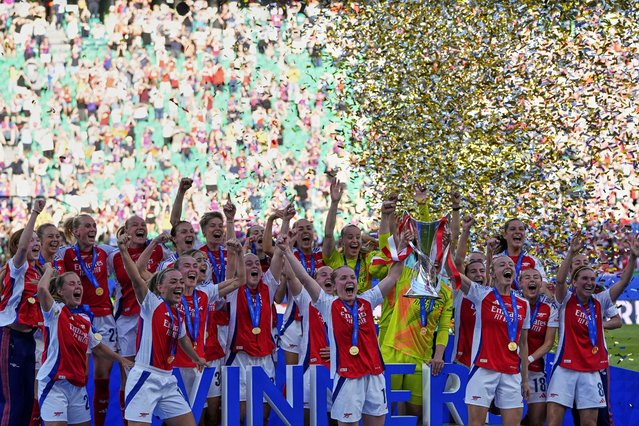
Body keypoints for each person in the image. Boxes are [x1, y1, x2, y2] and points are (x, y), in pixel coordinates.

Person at [278, 235, 404, 426]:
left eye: (352, 277)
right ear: (335, 285)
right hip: (348, 378)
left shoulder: (368, 300)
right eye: (343, 278)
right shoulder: (328, 304)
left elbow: (393, 275)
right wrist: (287, 251)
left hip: (374, 374)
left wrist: (401, 249)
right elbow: (303, 277)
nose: (349, 281)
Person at [546, 234, 639, 426]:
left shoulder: (600, 300)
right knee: (554, 421)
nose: (590, 282)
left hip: (591, 370)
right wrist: (571, 252)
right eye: (585, 279)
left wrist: (633, 258)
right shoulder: (565, 300)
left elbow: (622, 284)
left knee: (590, 422)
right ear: (575, 282)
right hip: (565, 368)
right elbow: (560, 281)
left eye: (593, 279)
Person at [377, 190, 454, 421]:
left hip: (422, 358)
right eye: (429, 256)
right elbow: (386, 249)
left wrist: (439, 355)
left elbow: (442, 328)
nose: (433, 260)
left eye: (437, 257)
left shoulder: (446, 291)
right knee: (386, 411)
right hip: (391, 351)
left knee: (415, 413)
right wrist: (385, 217)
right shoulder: (404, 275)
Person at [116, 234, 206, 426]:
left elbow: (183, 340)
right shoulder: (152, 303)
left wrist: (196, 358)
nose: (179, 285)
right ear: (160, 287)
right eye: (173, 282)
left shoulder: (178, 314)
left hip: (168, 379)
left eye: (181, 282)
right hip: (145, 377)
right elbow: (135, 277)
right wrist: (124, 251)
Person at [36, 264, 132, 426]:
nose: (78, 286)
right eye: (72, 284)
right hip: (55, 383)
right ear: (60, 291)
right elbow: (42, 291)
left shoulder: (84, 320)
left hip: (78, 386)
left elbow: (98, 347)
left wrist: (121, 360)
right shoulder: (55, 312)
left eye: (79, 283)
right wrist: (48, 271)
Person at [453, 254, 531, 426]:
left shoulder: (523, 304)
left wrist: (525, 379)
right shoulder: (481, 294)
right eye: (502, 264)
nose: (507, 267)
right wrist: (443, 249)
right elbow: (455, 274)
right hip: (483, 369)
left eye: (510, 264)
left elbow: (523, 344)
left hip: (511, 372)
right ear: (493, 273)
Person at [57, 214, 117, 425]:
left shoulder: (106, 252)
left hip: (104, 318)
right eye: (87, 226)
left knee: (103, 375)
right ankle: (76, 418)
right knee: (80, 372)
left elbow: (127, 262)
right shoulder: (63, 254)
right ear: (75, 232)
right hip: (76, 317)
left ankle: (98, 422)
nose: (93, 229)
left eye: (94, 225)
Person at [109, 215, 169, 421]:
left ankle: (150, 418)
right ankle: (129, 421)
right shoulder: (117, 256)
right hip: (128, 319)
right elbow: (129, 277)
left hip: (153, 317)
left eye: (143, 224)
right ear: (126, 231)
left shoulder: (161, 251)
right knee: (129, 372)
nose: (140, 227)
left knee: (156, 370)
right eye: (135, 225)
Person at [224, 240, 284, 423]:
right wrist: (237, 251)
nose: (254, 266)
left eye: (257, 263)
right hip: (239, 358)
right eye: (248, 263)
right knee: (241, 416)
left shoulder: (268, 287)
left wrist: (284, 227)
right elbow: (231, 264)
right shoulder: (233, 289)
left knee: (262, 416)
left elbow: (278, 256)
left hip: (265, 358)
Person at [0, 199, 45, 426]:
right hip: (11, 338)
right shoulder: (17, 267)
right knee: (13, 401)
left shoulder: (39, 270)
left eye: (39, 240)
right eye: (32, 240)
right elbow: (24, 247)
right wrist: (35, 213)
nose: (35, 243)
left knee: (28, 401)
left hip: (29, 340)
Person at [322, 179, 388, 296]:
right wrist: (334, 203)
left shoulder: (368, 258)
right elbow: (328, 235)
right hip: (339, 311)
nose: (355, 240)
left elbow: (387, 253)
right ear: (342, 241)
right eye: (350, 237)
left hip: (362, 311)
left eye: (358, 237)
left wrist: (385, 216)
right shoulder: (334, 259)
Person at [519, 268, 558, 426]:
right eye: (527, 277)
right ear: (520, 283)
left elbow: (548, 343)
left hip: (535, 369)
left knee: (537, 419)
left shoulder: (550, 309)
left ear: (541, 284)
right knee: (505, 414)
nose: (532, 280)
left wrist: (527, 360)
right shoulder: (512, 302)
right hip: (510, 369)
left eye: (536, 277)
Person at [496, 219, 547, 290]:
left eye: (521, 229)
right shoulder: (495, 260)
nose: (517, 232)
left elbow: (543, 284)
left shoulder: (533, 261)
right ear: (505, 235)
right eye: (512, 229)